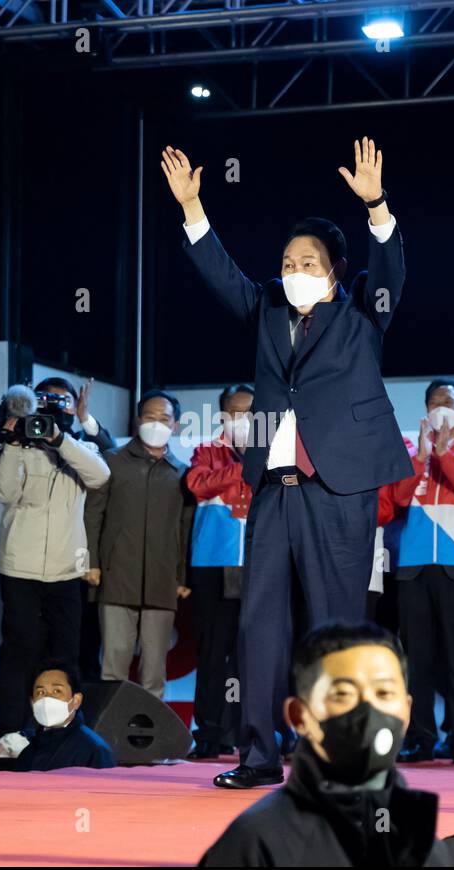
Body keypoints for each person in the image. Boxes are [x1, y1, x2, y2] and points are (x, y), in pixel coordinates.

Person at [164, 138, 412, 789]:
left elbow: (389, 273)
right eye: (287, 260)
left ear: (334, 269)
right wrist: (194, 211)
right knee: (260, 622)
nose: (294, 268)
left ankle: (340, 753)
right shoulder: (269, 308)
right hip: (274, 487)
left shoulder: (362, 312)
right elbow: (223, 277)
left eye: (308, 261)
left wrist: (377, 206)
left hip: (340, 485)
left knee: (337, 623)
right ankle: (256, 754)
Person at [199, 621, 451, 866]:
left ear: (407, 710)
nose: (367, 710)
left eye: (384, 693)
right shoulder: (255, 842)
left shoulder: (422, 843)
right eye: (343, 694)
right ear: (299, 714)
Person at [385, 379, 454, 764]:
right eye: (434, 402)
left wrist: (445, 455)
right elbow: (398, 498)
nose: (440, 409)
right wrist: (420, 457)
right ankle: (420, 737)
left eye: (448, 403)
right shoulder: (411, 451)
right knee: (417, 659)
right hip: (413, 566)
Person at [0, 382, 111, 737]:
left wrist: (59, 440)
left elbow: (101, 476)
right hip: (19, 567)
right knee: (20, 650)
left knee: (65, 653)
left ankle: (62, 732)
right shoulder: (19, 448)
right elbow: (4, 493)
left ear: (74, 408)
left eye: (63, 400)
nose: (52, 407)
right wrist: (12, 443)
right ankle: (11, 732)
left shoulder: (81, 448)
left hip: (65, 569)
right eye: (45, 400)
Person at [84, 390, 194, 700]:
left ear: (175, 425)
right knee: (113, 663)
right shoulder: (112, 461)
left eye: (164, 418)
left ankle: (151, 744)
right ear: (137, 420)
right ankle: (108, 740)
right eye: (150, 417)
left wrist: (182, 577)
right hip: (116, 575)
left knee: (154, 669)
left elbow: (185, 530)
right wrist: (91, 562)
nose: (156, 423)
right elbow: (93, 514)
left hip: (162, 582)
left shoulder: (182, 473)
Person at [185, 383, 255, 759]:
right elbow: (197, 485)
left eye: (250, 412)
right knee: (213, 653)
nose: (243, 419)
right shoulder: (206, 451)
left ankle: (249, 732)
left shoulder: (278, 453)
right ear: (223, 417)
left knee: (251, 656)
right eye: (235, 412)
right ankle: (210, 732)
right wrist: (244, 467)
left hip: (259, 565)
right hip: (214, 563)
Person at [0, 661, 116, 772]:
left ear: (76, 700)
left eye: (57, 691)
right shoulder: (29, 752)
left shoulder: (94, 750)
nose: (47, 698)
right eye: (40, 693)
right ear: (32, 703)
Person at [35, 375, 115, 454]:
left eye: (66, 401)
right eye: (52, 401)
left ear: (76, 405)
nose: (60, 408)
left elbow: (112, 455)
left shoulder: (84, 442)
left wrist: (85, 418)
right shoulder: (29, 440)